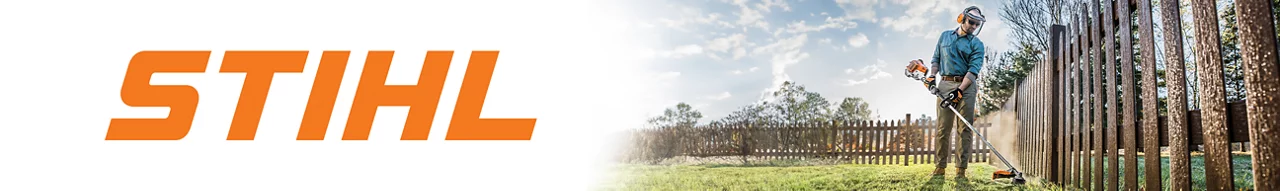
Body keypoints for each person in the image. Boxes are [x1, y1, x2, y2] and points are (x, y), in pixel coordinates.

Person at [925, 5, 986, 178]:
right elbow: (936, 59)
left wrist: (959, 91)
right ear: (962, 19)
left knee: (964, 128)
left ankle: (961, 170)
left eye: (977, 24)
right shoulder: (945, 36)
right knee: (943, 127)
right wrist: (932, 76)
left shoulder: (977, 44)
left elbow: (973, 70)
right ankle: (940, 167)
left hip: (966, 87)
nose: (974, 27)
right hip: (945, 84)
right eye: (972, 22)